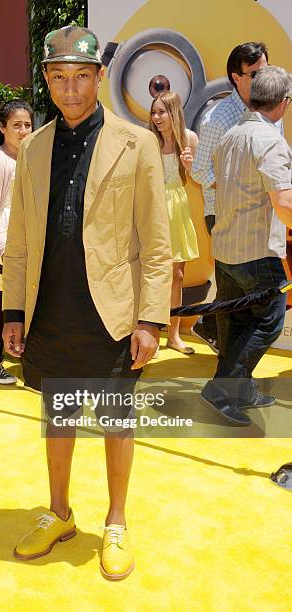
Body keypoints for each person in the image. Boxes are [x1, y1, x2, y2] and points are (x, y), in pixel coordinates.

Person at [2, 26, 172, 580]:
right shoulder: (33, 147)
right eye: (58, 77)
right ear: (47, 80)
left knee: (116, 421)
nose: (69, 88)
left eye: (80, 76)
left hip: (115, 311)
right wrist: (11, 311)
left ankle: (116, 520)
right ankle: (59, 512)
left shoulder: (137, 143)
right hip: (50, 308)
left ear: (98, 77)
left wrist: (151, 319)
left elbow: (155, 241)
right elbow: (21, 241)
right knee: (58, 416)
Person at [200, 66, 292, 427]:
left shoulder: (232, 133)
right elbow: (284, 204)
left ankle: (241, 390)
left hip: (226, 248)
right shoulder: (270, 140)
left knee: (237, 324)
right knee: (269, 321)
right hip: (256, 250)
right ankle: (221, 390)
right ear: (283, 104)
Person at [191, 42, 269, 353]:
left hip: (259, 215)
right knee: (249, 293)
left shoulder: (270, 110)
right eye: (255, 74)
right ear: (236, 77)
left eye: (265, 71)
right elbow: (199, 169)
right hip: (224, 215)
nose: (262, 79)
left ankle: (216, 337)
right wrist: (231, 193)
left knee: (236, 290)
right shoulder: (218, 119)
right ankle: (229, 363)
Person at [0, 100, 32, 384]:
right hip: (7, 241)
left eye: (27, 124)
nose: (23, 131)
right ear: (2, 128)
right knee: (4, 301)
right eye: (16, 125)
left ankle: (24, 353)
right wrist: (3, 247)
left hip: (28, 240)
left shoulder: (30, 157)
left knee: (26, 300)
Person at [150, 91, 199, 354]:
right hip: (154, 209)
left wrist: (190, 166)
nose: (157, 117)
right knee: (152, 275)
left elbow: (197, 180)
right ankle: (151, 336)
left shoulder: (189, 138)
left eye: (162, 112)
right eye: (154, 112)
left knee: (177, 275)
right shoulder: (148, 141)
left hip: (177, 206)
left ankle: (174, 335)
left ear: (174, 112)